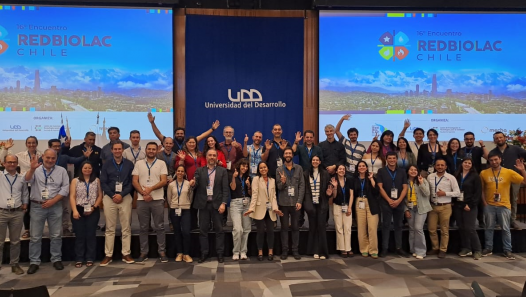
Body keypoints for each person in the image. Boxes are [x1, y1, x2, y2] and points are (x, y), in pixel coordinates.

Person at [25, 149, 69, 274]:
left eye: (53, 158)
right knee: (35, 236)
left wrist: (53, 201)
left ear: (56, 158)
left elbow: (65, 188)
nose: (50, 160)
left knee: (56, 235)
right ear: (43, 157)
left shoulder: (62, 171)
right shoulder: (36, 169)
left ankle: (56, 259)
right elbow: (27, 180)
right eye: (48, 158)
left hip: (55, 206)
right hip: (37, 206)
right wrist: (32, 169)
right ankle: (34, 261)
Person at [480, 152, 526, 260]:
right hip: (489, 205)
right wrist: (484, 203)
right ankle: (488, 248)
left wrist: (522, 170)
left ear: (500, 159)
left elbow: (524, 182)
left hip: (504, 205)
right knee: (488, 228)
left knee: (506, 229)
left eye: (496, 159)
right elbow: (481, 189)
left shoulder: (508, 172)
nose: (494, 162)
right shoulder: (483, 173)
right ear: (489, 162)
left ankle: (507, 250)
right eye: (491, 160)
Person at [99, 141, 135, 266]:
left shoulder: (129, 164)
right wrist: (112, 195)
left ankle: (126, 253)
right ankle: (108, 255)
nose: (118, 151)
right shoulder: (106, 164)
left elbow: (132, 182)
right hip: (110, 197)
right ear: (112, 150)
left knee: (126, 227)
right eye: (115, 149)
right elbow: (103, 182)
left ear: (123, 150)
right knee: (110, 228)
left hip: (125, 197)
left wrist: (122, 194)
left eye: (120, 149)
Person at [133, 142, 168, 263]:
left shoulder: (161, 163)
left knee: (160, 226)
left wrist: (150, 189)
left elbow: (164, 181)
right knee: (143, 227)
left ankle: (162, 251)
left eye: (154, 149)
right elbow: (134, 181)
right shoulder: (138, 163)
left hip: (157, 199)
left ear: (156, 151)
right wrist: (144, 193)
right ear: (146, 150)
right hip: (142, 200)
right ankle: (144, 252)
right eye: (149, 149)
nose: (151, 151)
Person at [48, 138, 92, 235]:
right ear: (49, 147)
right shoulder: (45, 158)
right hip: (49, 188)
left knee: (65, 209)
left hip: (62, 188)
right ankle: (50, 229)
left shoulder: (63, 157)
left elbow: (75, 160)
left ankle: (65, 228)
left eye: (58, 146)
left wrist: (84, 157)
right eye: (54, 146)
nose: (57, 148)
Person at [193, 149, 229, 263]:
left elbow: (225, 189)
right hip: (203, 205)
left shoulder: (223, 171)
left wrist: (223, 203)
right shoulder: (199, 171)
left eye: (214, 155)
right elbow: (195, 185)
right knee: (203, 230)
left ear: (217, 157)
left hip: (217, 205)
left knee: (219, 230)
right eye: (210, 155)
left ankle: (220, 253)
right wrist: (193, 183)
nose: (212, 157)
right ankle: (204, 253)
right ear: (206, 157)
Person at [244, 161, 283, 261]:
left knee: (271, 231)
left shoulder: (272, 180)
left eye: (264, 167)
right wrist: (251, 209)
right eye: (261, 168)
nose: (263, 169)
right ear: (258, 170)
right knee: (260, 231)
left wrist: (276, 208)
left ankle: (270, 251)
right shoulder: (256, 179)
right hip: (259, 208)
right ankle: (260, 252)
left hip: (270, 210)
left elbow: (273, 196)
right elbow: (254, 195)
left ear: (268, 168)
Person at [490, 131, 526, 230]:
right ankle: (499, 221)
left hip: (514, 179)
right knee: (499, 200)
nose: (499, 139)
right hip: (500, 180)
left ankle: (512, 221)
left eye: (500, 137)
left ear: (505, 138)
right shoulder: (493, 152)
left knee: (513, 200)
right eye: (496, 138)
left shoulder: (516, 149)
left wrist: (522, 167)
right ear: (494, 140)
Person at [69, 161, 103, 268]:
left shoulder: (97, 180)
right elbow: (72, 196)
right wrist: (74, 210)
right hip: (78, 209)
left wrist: (94, 207)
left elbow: (100, 196)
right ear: (81, 169)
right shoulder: (75, 180)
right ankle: (79, 258)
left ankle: (90, 258)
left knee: (91, 234)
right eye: (85, 168)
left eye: (89, 168)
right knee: (80, 235)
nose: (87, 170)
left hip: (93, 210)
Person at [0, 154, 28, 275]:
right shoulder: (0, 176)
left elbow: (25, 193)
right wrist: (5, 149)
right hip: (2, 212)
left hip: (17, 213)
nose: (12, 164)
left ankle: (15, 264)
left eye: (14, 162)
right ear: (4, 163)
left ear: (17, 164)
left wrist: (25, 204)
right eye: (9, 162)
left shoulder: (21, 178)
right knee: (0, 242)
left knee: (15, 241)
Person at [377, 151, 409, 258]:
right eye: (389, 158)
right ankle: (384, 248)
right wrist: (389, 200)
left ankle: (399, 248)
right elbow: (380, 187)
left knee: (398, 226)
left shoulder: (402, 171)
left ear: (396, 159)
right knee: (385, 225)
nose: (392, 160)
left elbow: (405, 187)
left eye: (393, 158)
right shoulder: (381, 171)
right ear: (386, 159)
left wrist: (399, 200)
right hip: (386, 203)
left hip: (399, 203)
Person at [427, 159, 460, 258]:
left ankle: (443, 249)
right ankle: (435, 248)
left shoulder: (451, 178)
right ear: (435, 167)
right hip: (432, 206)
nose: (440, 167)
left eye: (442, 165)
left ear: (445, 167)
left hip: (445, 206)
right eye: (438, 165)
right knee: (431, 229)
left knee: (444, 230)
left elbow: (457, 192)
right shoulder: (430, 177)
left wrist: (445, 193)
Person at [276, 147, 305, 260]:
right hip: (283, 203)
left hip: (295, 203)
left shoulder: (299, 168)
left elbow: (302, 185)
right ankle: (284, 250)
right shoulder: (279, 169)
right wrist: (282, 182)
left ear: (292, 155)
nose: (288, 155)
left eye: (290, 153)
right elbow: (278, 187)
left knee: (295, 227)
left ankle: (295, 250)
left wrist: (299, 201)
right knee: (283, 228)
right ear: (284, 155)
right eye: (286, 153)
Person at [12, 136, 42, 239]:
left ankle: (37, 230)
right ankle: (27, 230)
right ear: (26, 144)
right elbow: (4, 159)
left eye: (33, 143)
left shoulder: (41, 155)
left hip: (37, 185)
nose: (31, 145)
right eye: (29, 143)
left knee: (37, 209)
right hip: (25, 185)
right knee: (26, 208)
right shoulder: (19, 155)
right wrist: (6, 149)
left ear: (36, 144)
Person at [292, 130, 323, 228]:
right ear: (304, 138)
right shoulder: (300, 147)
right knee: (301, 197)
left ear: (313, 138)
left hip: (315, 176)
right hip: (303, 176)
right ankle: (300, 220)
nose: (309, 139)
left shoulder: (318, 149)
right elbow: (293, 152)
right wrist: (296, 141)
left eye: (311, 137)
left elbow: (321, 161)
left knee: (314, 196)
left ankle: (316, 220)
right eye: (307, 137)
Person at [454, 158, 482, 260]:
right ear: (461, 164)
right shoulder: (456, 175)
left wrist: (470, 205)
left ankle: (477, 250)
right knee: (461, 228)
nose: (467, 164)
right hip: (458, 205)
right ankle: (466, 248)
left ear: (472, 165)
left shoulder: (475, 176)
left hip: (470, 206)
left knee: (470, 229)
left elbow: (477, 193)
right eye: (465, 162)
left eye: (469, 163)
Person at [147, 111, 220, 151]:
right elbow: (158, 134)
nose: (179, 135)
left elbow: (202, 136)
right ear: (175, 135)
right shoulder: (169, 142)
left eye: (181, 133)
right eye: (178, 133)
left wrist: (212, 129)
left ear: (184, 135)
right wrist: (152, 123)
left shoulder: (189, 142)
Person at [303, 156, 331, 259]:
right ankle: (314, 250)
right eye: (313, 160)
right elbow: (305, 190)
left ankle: (322, 251)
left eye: (317, 160)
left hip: (322, 203)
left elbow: (329, 190)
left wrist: (329, 194)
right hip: (311, 204)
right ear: (311, 162)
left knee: (321, 227)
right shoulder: (306, 174)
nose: (315, 162)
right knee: (313, 227)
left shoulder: (325, 173)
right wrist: (307, 204)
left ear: (320, 162)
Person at [167, 165, 195, 263]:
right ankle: (179, 253)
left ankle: (186, 254)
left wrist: (186, 204)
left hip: (186, 209)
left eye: (182, 171)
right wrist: (174, 206)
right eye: (178, 171)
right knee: (177, 232)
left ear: (184, 173)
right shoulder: (171, 185)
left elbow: (190, 197)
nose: (180, 173)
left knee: (186, 232)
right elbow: (169, 198)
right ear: (176, 172)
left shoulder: (188, 184)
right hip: (174, 209)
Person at [353, 161, 380, 259]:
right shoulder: (354, 179)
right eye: (359, 166)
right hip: (359, 202)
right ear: (357, 168)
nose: (361, 167)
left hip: (371, 203)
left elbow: (376, 191)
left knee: (372, 228)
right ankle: (364, 249)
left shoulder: (371, 178)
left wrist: (371, 179)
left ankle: (373, 250)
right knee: (361, 227)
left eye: (363, 166)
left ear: (366, 167)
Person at [175, 136, 203, 230]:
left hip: (200, 181)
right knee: (190, 204)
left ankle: (199, 224)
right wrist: (182, 159)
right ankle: (191, 225)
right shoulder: (182, 153)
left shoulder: (200, 154)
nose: (192, 144)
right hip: (188, 182)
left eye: (193, 142)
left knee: (199, 203)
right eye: (190, 142)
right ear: (186, 143)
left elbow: (203, 165)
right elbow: (177, 167)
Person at [404, 165, 432, 259]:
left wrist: (421, 183)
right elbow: (402, 198)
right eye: (411, 170)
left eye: (415, 170)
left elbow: (427, 193)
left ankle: (421, 251)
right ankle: (413, 250)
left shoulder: (423, 180)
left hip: (421, 208)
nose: (413, 171)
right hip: (410, 208)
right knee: (412, 230)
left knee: (418, 228)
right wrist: (405, 210)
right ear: (407, 171)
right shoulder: (404, 182)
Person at [229, 159, 252, 260]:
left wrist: (249, 186)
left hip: (247, 203)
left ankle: (243, 251)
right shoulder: (232, 175)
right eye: (243, 166)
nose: (245, 168)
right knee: (238, 229)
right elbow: (233, 188)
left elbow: (250, 193)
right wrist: (234, 178)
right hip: (236, 204)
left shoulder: (248, 177)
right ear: (239, 166)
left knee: (246, 229)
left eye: (246, 166)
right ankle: (236, 251)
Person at [329, 164, 353, 257]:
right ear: (336, 171)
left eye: (343, 169)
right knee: (339, 227)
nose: (341, 170)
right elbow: (333, 197)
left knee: (347, 227)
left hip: (347, 205)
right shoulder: (333, 180)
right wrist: (335, 187)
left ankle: (348, 248)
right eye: (340, 169)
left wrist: (350, 207)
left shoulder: (349, 180)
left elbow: (351, 195)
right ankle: (342, 248)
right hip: (337, 205)